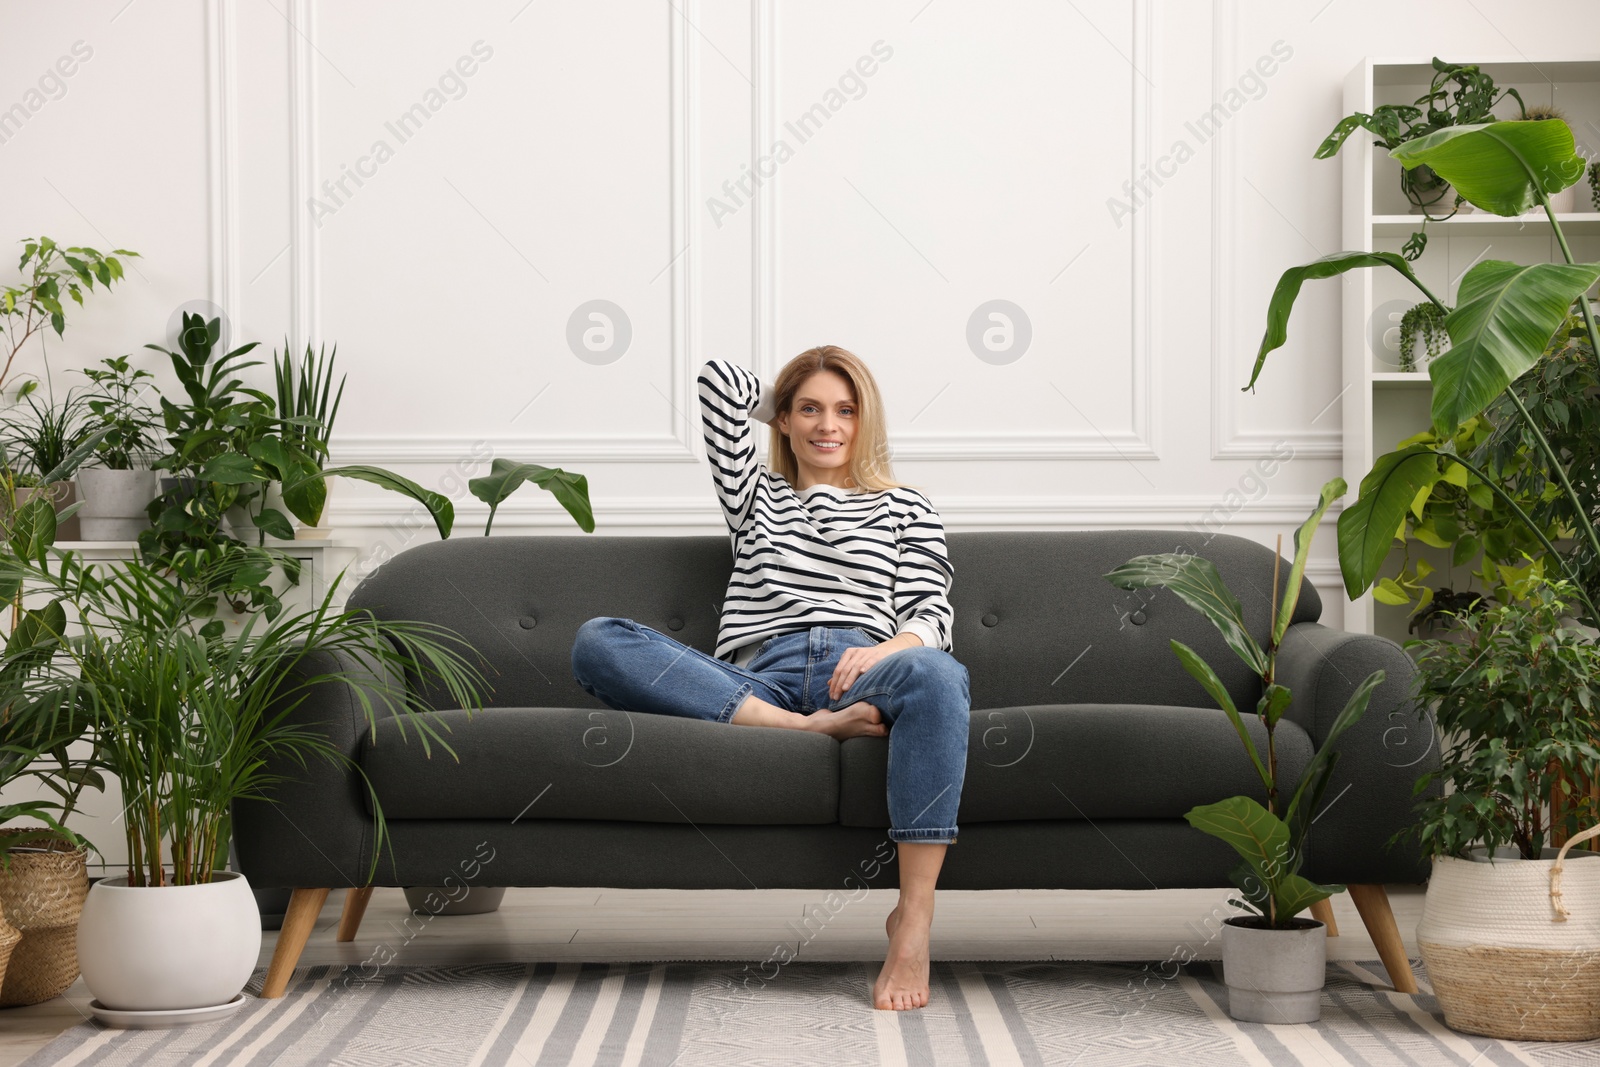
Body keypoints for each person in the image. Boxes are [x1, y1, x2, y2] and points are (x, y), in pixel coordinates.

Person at [570, 345, 971, 1011]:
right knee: (598, 640)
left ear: (866, 419)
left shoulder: (907, 505)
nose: (828, 425)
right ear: (781, 418)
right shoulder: (756, 495)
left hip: (863, 668)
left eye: (846, 410)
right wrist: (786, 402)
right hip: (761, 678)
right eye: (809, 409)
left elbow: (931, 610)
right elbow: (717, 381)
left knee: (940, 674)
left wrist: (885, 651)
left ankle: (914, 920)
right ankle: (801, 728)